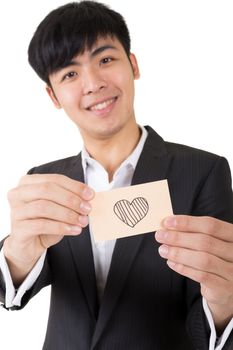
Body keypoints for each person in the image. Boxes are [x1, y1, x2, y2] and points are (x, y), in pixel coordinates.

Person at [0, 1, 233, 349]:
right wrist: (17, 252)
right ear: (53, 96)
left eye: (105, 60)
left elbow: (210, 319)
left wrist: (226, 300)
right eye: (70, 73)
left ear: (133, 64)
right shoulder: (45, 181)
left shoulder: (203, 171)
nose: (93, 83)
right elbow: (13, 296)